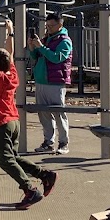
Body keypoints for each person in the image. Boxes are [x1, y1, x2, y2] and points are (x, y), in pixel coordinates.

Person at [0, 19, 58, 209]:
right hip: (14, 120)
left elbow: (6, 55)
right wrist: (10, 32)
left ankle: (29, 189)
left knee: (5, 160)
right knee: (13, 156)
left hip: (1, 122)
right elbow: (10, 53)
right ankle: (43, 174)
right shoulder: (10, 72)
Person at [28, 11, 73, 154]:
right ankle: (48, 141)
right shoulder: (47, 38)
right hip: (41, 80)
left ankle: (63, 142)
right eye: (47, 26)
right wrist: (32, 47)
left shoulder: (64, 41)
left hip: (55, 82)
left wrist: (41, 46)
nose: (49, 29)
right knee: (44, 113)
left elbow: (57, 58)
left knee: (59, 112)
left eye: (52, 26)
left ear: (60, 24)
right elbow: (37, 56)